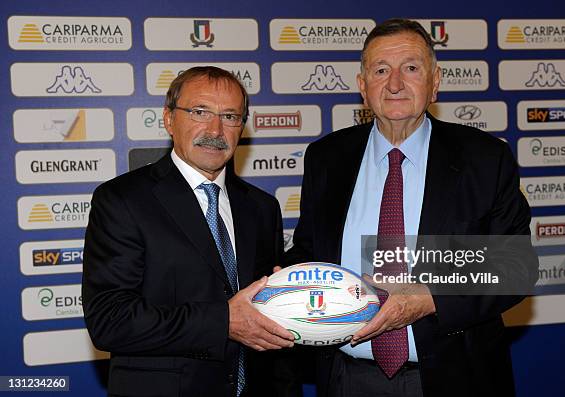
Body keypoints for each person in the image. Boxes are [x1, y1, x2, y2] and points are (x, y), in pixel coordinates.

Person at [285, 19, 539, 397]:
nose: (395, 84)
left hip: (454, 377)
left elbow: (515, 265)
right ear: (362, 86)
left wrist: (428, 299)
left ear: (435, 82)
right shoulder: (326, 158)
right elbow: (312, 249)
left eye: (411, 68)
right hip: (347, 377)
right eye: (381, 70)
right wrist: (286, 279)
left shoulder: (485, 158)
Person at [82, 66, 295, 397]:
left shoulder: (262, 207)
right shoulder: (122, 200)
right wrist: (223, 320)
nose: (215, 129)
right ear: (169, 119)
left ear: (242, 127)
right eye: (200, 112)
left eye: (230, 116)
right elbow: (111, 321)